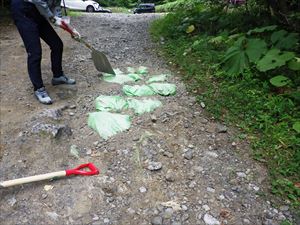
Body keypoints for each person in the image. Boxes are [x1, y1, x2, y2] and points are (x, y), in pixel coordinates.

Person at [10, 0, 81, 104]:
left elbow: (57, 13)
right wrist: (51, 17)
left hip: (38, 11)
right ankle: (39, 88)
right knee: (35, 52)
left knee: (57, 44)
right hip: (22, 9)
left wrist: (71, 30)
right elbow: (41, 4)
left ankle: (58, 76)